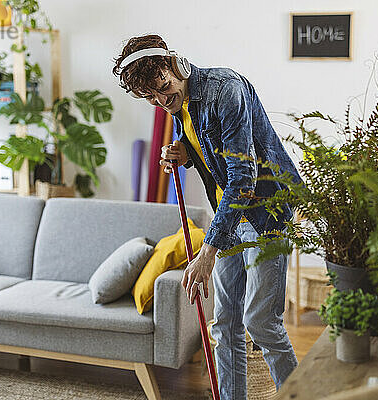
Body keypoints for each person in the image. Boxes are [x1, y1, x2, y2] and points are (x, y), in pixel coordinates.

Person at [113, 34, 302, 398]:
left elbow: (243, 178)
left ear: (177, 65)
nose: (162, 101)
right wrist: (186, 153)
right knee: (225, 326)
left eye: (164, 88)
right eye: (150, 97)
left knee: (261, 322)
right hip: (228, 218)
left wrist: (206, 253)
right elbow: (212, 149)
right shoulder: (180, 105)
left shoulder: (225, 90)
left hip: (266, 213)